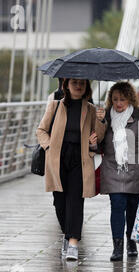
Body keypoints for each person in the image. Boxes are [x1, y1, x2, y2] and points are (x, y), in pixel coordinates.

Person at [36, 78, 107, 261]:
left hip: (80, 159)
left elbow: (98, 137)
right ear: (66, 85)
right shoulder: (55, 105)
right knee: (59, 202)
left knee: (76, 200)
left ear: (86, 87)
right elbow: (41, 130)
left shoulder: (90, 109)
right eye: (74, 83)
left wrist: (101, 121)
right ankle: (67, 235)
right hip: (58, 157)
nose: (78, 86)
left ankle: (73, 242)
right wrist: (49, 146)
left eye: (82, 83)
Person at [98, 81, 139, 262]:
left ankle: (131, 241)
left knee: (132, 209)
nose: (118, 103)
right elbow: (97, 144)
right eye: (115, 99)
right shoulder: (106, 117)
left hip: (136, 170)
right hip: (113, 168)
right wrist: (98, 125)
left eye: (122, 99)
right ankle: (117, 248)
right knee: (117, 206)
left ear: (130, 99)